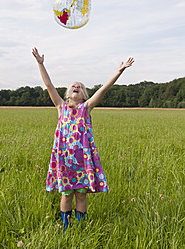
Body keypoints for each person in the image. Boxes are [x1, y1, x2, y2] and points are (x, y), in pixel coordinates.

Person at [32, 47, 134, 232]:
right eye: (73, 86)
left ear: (85, 95)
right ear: (67, 94)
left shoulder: (85, 108)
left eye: (80, 87)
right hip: (64, 161)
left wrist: (119, 71)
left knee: (81, 195)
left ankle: (80, 227)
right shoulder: (61, 107)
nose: (76, 87)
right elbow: (49, 85)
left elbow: (103, 89)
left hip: (82, 162)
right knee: (66, 195)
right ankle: (65, 227)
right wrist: (41, 64)